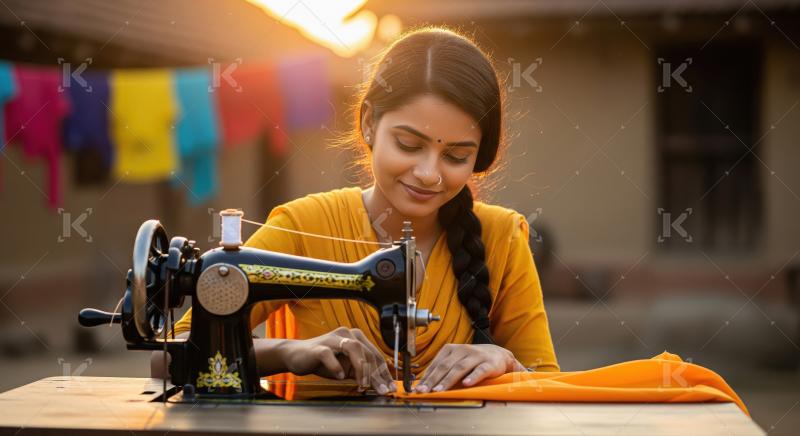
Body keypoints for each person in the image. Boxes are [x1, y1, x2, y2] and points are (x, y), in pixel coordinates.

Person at [152, 27, 559, 396]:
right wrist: (290, 351)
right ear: (368, 123)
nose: (429, 174)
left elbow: (550, 384)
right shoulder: (305, 225)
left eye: (455, 155)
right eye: (409, 145)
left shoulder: (501, 236)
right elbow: (167, 358)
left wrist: (505, 362)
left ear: (478, 158)